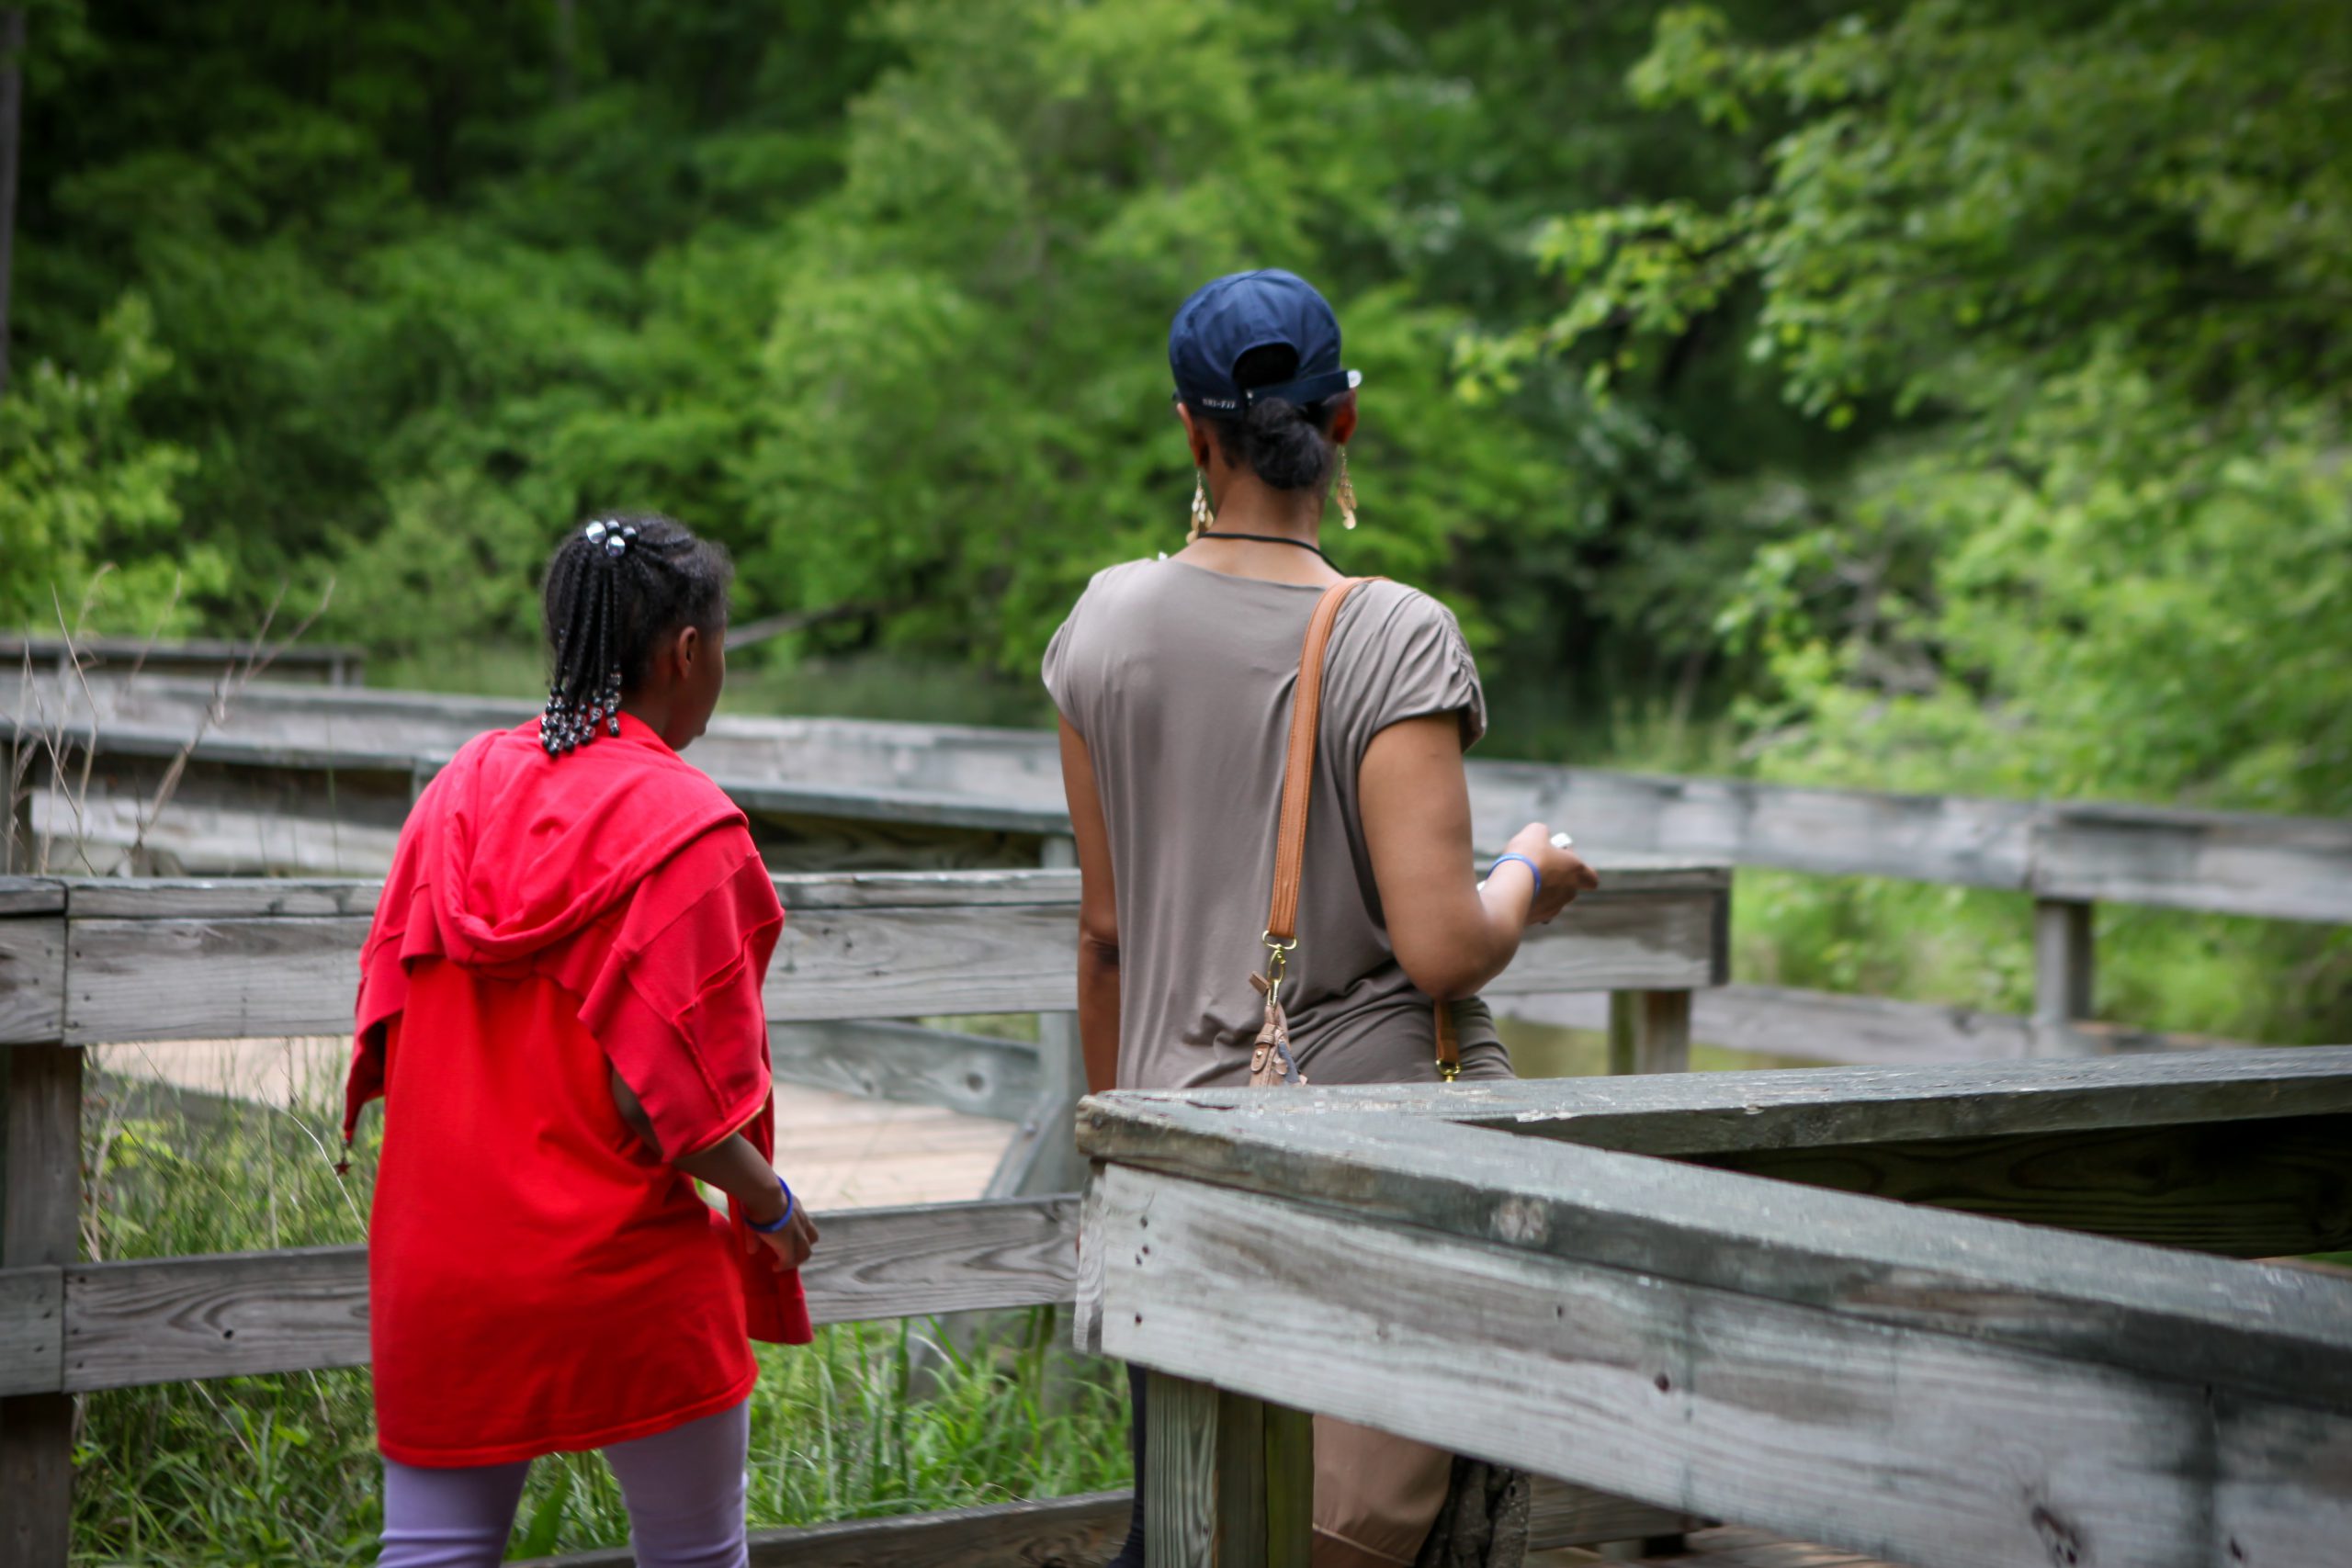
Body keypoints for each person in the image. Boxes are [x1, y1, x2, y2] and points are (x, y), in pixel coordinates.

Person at [1043, 269, 1599, 1568]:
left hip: (1172, 1153)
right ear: (1343, 422)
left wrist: (1120, 1143)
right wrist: (1528, 867)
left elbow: (1105, 934)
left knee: (1187, 1522)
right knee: (1346, 1534)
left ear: (1193, 428)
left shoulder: (1101, 624)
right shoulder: (1394, 635)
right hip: (1370, 1170)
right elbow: (1445, 946)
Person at [343, 513, 820, 1568]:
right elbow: (667, 1109)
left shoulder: (457, 791)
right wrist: (770, 1203)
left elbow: (393, 1019)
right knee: (696, 1556)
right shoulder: (689, 828)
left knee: (429, 1554)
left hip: (441, 1268)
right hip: (615, 1274)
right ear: (686, 653)